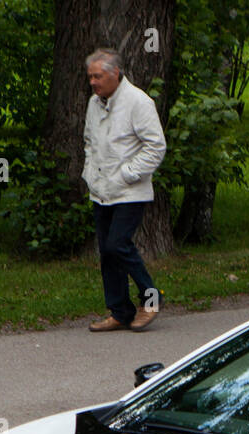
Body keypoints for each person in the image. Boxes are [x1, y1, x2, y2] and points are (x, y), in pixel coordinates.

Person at [82, 48, 167, 332]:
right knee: (107, 251)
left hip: (130, 191)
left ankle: (151, 298)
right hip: (101, 190)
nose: (93, 82)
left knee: (118, 244)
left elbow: (156, 146)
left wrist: (128, 174)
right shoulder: (94, 103)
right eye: (90, 76)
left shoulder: (138, 101)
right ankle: (119, 311)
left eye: (98, 76)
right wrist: (89, 174)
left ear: (115, 73)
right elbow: (89, 142)